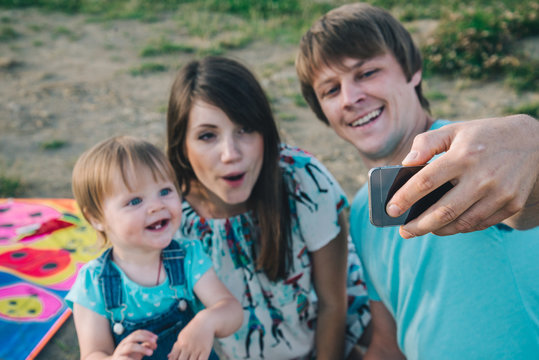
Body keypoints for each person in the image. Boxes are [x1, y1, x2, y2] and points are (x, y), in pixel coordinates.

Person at [296, 3, 539, 359]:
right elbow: (387, 342)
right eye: (330, 90)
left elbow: (526, 201)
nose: (350, 98)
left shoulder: (472, 156)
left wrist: (529, 138)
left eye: (366, 73)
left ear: (413, 71)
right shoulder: (364, 211)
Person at [166, 56, 371, 360]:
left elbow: (332, 303)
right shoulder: (166, 211)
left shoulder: (303, 181)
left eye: (245, 129)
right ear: (182, 144)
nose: (230, 154)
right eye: (207, 135)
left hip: (327, 331)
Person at [66, 136, 243, 360]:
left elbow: (232, 311)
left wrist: (207, 321)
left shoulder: (187, 257)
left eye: (165, 191)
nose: (157, 205)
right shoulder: (93, 283)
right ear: (96, 218)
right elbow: (93, 352)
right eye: (135, 201)